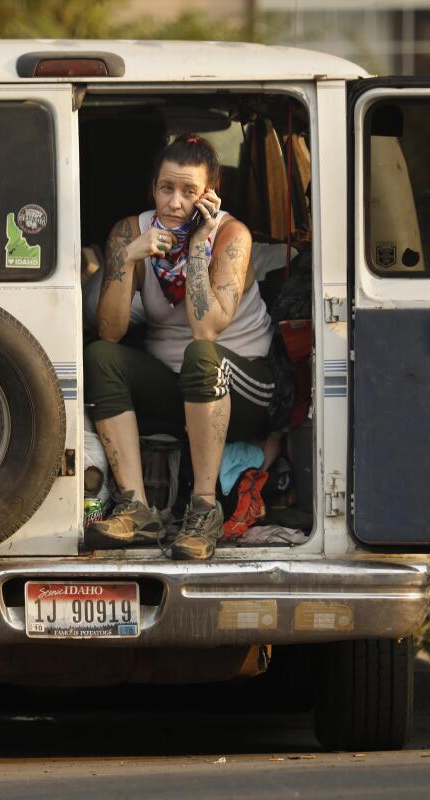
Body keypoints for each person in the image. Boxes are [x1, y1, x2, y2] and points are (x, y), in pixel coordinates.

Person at [85, 134, 275, 560]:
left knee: (200, 354)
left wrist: (194, 247)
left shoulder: (231, 235)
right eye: (166, 189)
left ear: (208, 194)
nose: (174, 203)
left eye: (188, 192)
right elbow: (111, 331)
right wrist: (126, 260)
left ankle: (204, 510)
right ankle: (135, 508)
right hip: (176, 387)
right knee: (100, 357)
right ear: (152, 188)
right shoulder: (130, 231)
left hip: (242, 385)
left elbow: (205, 330)